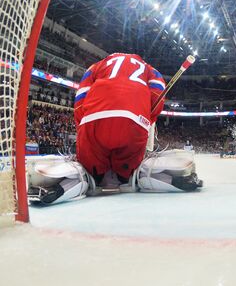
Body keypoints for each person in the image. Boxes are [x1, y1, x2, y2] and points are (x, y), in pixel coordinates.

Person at [27, 53, 203, 205]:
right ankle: (164, 178)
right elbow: (158, 90)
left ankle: (64, 185)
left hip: (93, 119)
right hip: (133, 121)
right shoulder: (148, 68)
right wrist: (148, 117)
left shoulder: (96, 66)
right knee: (132, 173)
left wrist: (84, 126)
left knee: (89, 171)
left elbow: (81, 97)